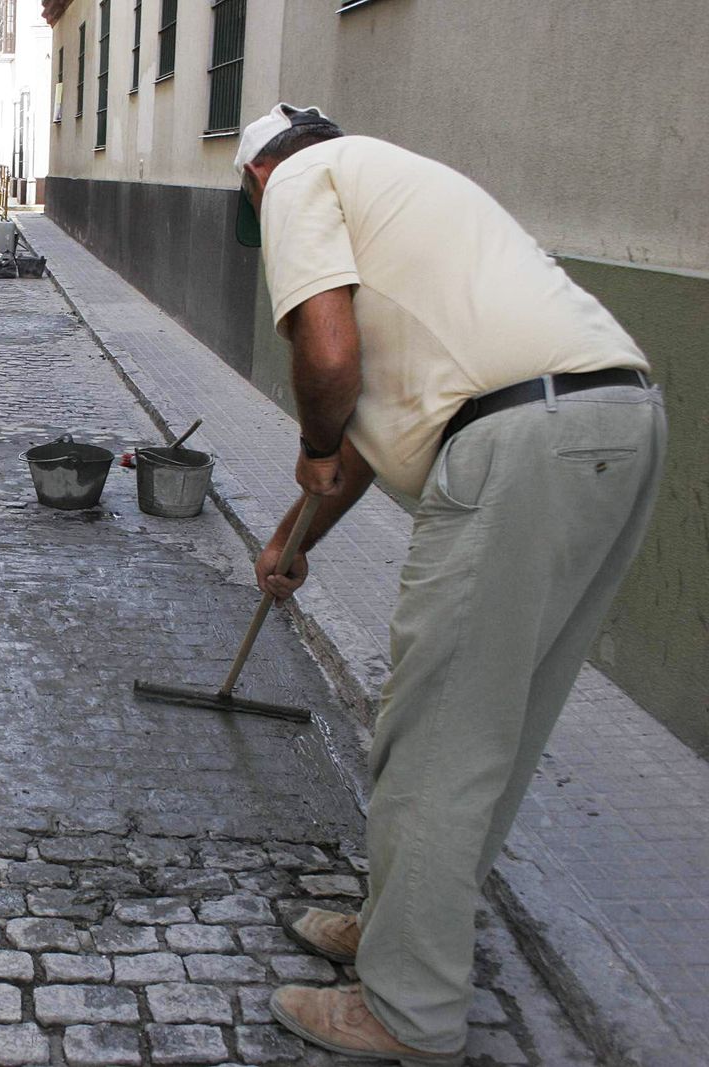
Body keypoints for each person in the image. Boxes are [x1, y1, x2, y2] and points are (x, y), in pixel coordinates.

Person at [234, 104, 665, 1064]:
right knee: (493, 726)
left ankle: (407, 1009)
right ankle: (401, 929)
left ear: (261, 178)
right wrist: (291, 539)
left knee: (435, 733)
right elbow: (367, 422)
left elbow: (330, 360)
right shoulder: (394, 185)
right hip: (615, 421)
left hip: (517, 444)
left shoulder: (302, 182)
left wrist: (307, 442)